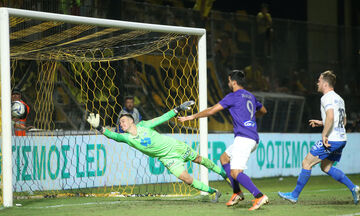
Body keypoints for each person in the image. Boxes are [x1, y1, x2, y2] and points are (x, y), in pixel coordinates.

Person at [87, 101, 228, 202]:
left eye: (123, 121)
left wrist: (178, 109)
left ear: (131, 121)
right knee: (185, 178)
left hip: (175, 147)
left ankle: (223, 174)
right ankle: (213, 192)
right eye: (120, 122)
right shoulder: (127, 138)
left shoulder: (143, 125)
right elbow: (112, 135)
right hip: (167, 159)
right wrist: (99, 127)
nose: (121, 124)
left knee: (198, 159)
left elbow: (161, 118)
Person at [178, 70, 269, 211]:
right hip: (252, 137)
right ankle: (237, 193)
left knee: (236, 173)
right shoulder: (250, 96)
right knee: (224, 158)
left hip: (244, 139)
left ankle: (259, 196)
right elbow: (263, 111)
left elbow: (212, 110)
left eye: (228, 81)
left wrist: (191, 117)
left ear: (233, 82)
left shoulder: (233, 96)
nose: (228, 83)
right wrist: (249, 118)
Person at [278, 70, 360, 205]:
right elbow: (343, 121)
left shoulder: (326, 97)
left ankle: (294, 195)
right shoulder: (339, 99)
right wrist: (322, 122)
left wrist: (324, 135)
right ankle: (354, 188)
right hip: (341, 139)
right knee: (326, 167)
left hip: (332, 139)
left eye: (319, 80)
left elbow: (332, 117)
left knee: (306, 163)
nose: (317, 82)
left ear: (325, 83)